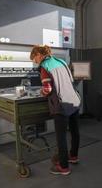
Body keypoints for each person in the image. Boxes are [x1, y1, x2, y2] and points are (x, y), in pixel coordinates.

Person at [30, 45, 81, 175]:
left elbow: (47, 89)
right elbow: (71, 81)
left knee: (61, 137)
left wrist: (41, 92)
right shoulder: (61, 62)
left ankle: (63, 167)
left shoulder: (44, 67)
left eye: (34, 58)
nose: (34, 61)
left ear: (39, 55)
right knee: (75, 131)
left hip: (61, 105)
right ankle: (73, 156)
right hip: (73, 101)